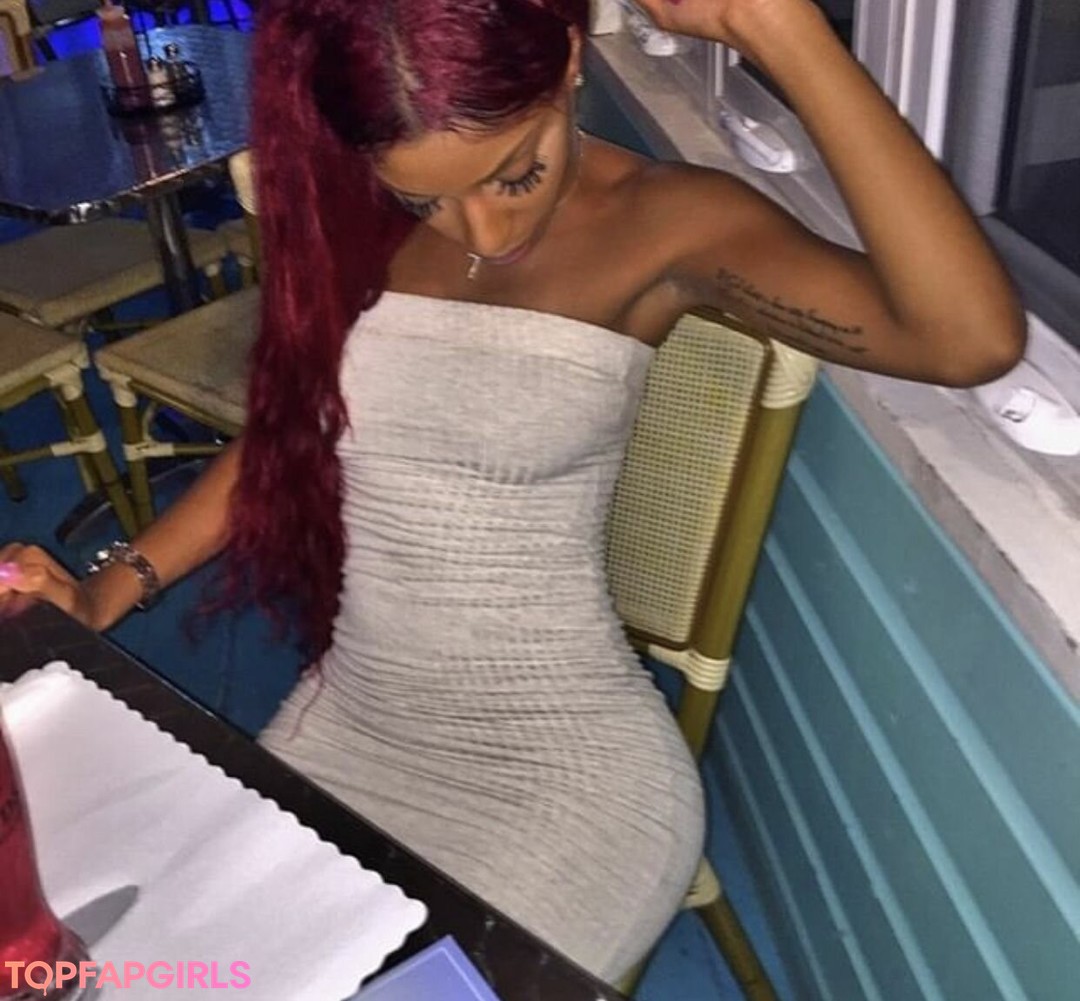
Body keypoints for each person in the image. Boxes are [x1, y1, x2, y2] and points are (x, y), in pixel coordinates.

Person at [0, 0, 1025, 984]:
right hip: (350, 723)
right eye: (427, 200)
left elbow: (964, 337)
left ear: (569, 61)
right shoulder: (355, 208)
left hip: (565, 775)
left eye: (514, 173)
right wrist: (105, 591)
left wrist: (780, 26)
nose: (481, 230)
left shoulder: (668, 226)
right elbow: (293, 433)